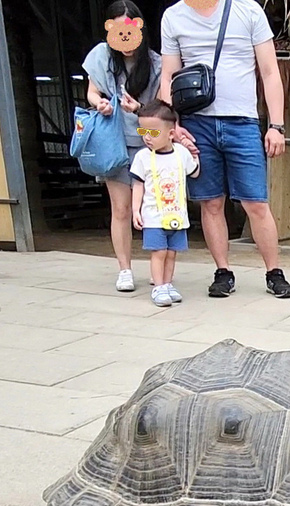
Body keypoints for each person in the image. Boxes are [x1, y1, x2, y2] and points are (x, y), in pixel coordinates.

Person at [159, 0, 290, 299]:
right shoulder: (173, 16)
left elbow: (270, 71)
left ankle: (274, 271)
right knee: (210, 202)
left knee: (256, 202)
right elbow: (168, 75)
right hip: (196, 122)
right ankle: (223, 271)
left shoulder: (247, 10)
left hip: (242, 120)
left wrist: (277, 125)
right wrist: (174, 123)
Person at [83, 1, 164, 293]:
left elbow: (161, 111)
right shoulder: (101, 56)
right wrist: (100, 103)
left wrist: (138, 109)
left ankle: (158, 269)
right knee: (120, 208)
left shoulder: (155, 63)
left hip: (145, 135)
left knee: (152, 209)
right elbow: (92, 92)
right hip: (114, 139)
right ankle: (125, 269)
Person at [130, 100, 200, 306]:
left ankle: (168, 284)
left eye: (153, 132)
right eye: (143, 131)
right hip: (153, 216)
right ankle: (158, 287)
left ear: (171, 133)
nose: (147, 137)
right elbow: (138, 185)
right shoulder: (142, 157)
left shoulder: (181, 153)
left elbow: (195, 172)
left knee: (171, 253)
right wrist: (136, 210)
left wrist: (193, 151)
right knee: (159, 252)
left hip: (177, 216)